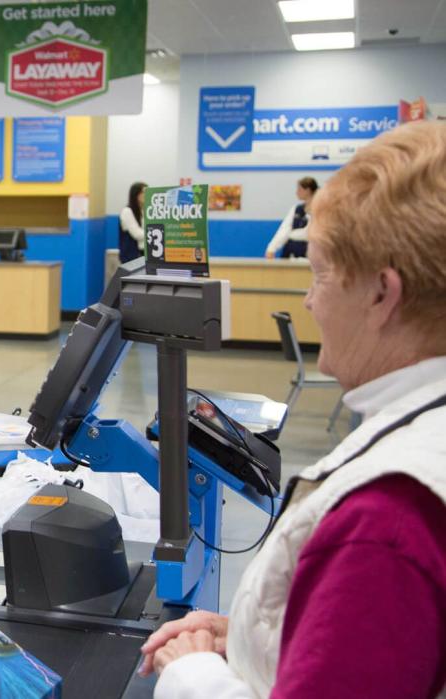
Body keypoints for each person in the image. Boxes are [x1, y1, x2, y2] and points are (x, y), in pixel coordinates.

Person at [144, 121, 446, 698]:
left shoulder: (388, 521)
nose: (309, 301)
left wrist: (189, 671)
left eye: (321, 276)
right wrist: (261, 638)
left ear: (383, 294)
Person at [264, 177, 318, 259]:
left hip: (309, 251)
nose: (297, 192)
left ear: (308, 190)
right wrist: (271, 248)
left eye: (299, 189)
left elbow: (311, 233)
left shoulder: (321, 210)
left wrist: (294, 233)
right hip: (291, 250)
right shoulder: (296, 209)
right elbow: (284, 229)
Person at [118, 181, 146, 263]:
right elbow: (137, 234)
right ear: (136, 195)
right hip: (131, 257)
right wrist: (154, 233)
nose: (147, 195)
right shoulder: (127, 211)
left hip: (142, 254)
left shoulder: (143, 211)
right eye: (144, 192)